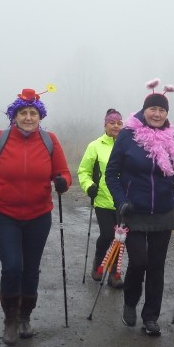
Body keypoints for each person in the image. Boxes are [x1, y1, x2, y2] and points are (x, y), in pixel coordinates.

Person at [0, 87, 72, 345]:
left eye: (33, 113)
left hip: (39, 215)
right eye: (23, 113)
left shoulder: (50, 140)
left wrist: (63, 181)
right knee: (11, 268)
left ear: (39, 116)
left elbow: (63, 172)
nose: (28, 117)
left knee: (30, 270)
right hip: (5, 215)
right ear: (14, 116)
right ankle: (9, 319)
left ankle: (25, 316)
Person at [105, 79, 174, 337]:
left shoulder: (171, 136)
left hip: (164, 211)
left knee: (156, 264)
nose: (157, 114)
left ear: (167, 114)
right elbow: (112, 174)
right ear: (144, 111)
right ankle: (130, 302)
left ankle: (151, 316)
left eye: (162, 110)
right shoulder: (127, 136)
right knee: (139, 261)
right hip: (134, 210)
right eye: (153, 109)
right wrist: (120, 199)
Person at [78, 108, 125, 288]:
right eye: (112, 122)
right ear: (105, 124)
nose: (116, 126)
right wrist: (89, 186)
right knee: (108, 235)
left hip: (123, 201)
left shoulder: (127, 144)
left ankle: (114, 272)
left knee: (120, 238)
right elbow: (84, 171)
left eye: (119, 123)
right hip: (103, 200)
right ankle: (99, 262)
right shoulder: (95, 146)